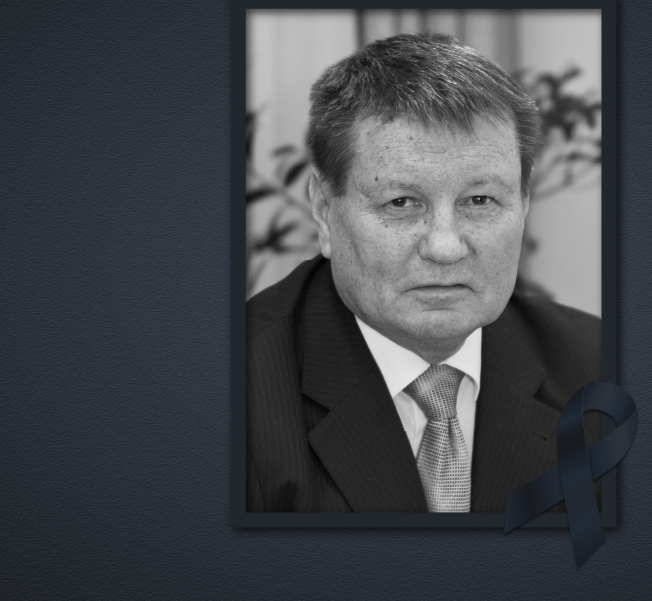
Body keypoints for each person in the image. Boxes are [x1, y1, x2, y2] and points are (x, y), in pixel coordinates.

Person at [246, 33, 600, 513]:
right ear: (325, 211)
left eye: (480, 200)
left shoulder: (598, 370)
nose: (445, 248)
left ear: (524, 203)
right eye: (401, 203)